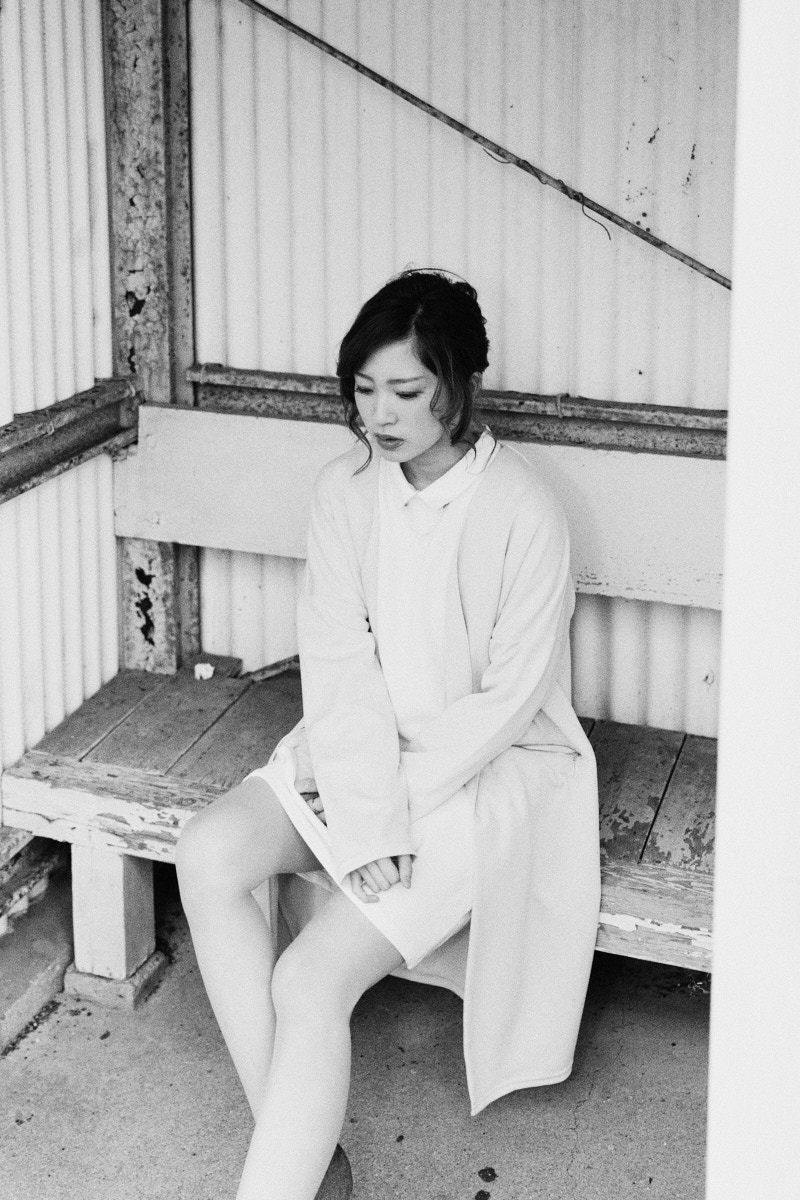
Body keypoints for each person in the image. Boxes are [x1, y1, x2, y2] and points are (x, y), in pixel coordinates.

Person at [176, 269, 601, 1200]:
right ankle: (304, 1155)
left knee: (308, 981)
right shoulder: (346, 490)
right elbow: (336, 663)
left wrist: (384, 811)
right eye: (365, 389)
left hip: (488, 775)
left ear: (460, 384)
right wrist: (364, 803)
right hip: (353, 752)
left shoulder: (524, 508)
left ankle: (279, 1176)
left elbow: (509, 701)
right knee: (207, 853)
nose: (380, 414)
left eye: (407, 390)